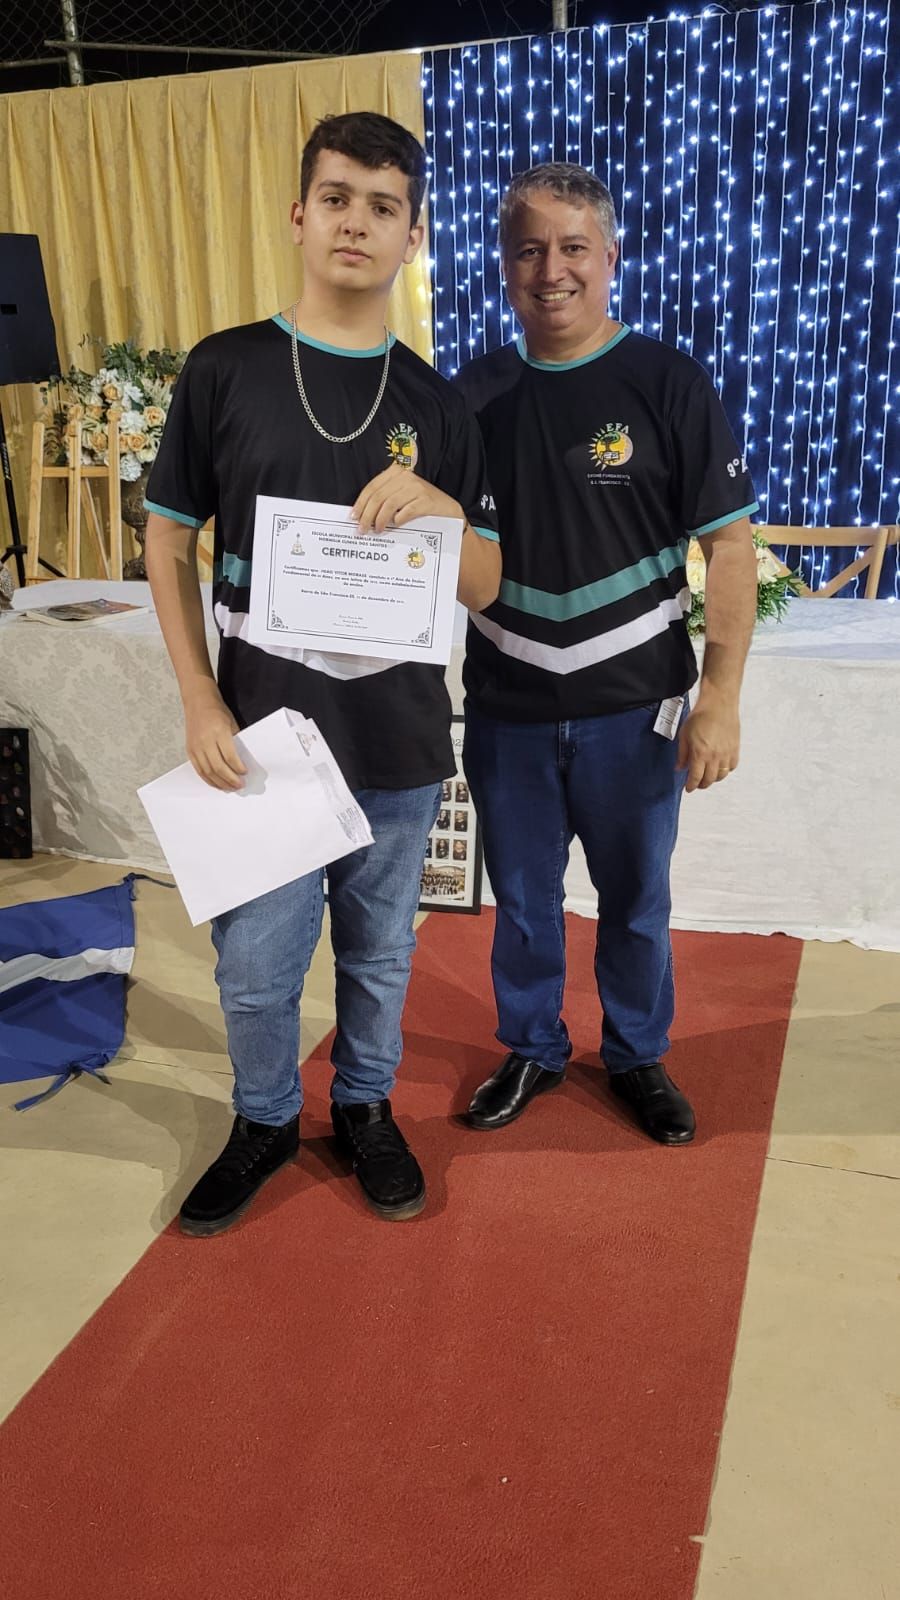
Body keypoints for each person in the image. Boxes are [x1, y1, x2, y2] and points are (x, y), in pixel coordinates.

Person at [145, 112, 500, 1234]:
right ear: (299, 215)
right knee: (255, 968)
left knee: (380, 955)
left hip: (396, 738)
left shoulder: (439, 403)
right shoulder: (227, 368)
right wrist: (199, 697)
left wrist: (443, 510)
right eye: (338, 198)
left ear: (413, 236)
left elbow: (487, 582)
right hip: (259, 739)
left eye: (383, 206)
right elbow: (167, 539)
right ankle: (262, 1120)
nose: (357, 222)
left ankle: (363, 1107)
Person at [453, 163, 758, 1145]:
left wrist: (721, 697)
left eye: (573, 247)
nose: (552, 269)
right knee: (523, 904)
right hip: (507, 704)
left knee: (635, 901)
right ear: (504, 266)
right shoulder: (472, 395)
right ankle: (532, 1046)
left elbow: (731, 546)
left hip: (637, 706)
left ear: (611, 256)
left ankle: (635, 1053)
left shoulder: (669, 382)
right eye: (529, 249)